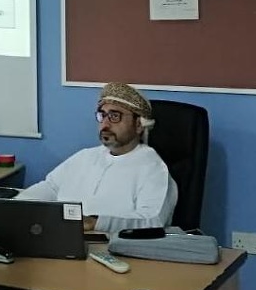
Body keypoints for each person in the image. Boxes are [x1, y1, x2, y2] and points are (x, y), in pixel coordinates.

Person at [18, 82, 177, 234]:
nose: (105, 124)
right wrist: (16, 206)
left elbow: (153, 221)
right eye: (102, 115)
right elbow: (51, 187)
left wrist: (95, 223)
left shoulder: (153, 168)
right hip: (61, 238)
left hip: (114, 247)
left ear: (139, 125)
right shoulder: (85, 157)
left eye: (115, 116)